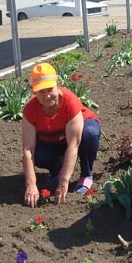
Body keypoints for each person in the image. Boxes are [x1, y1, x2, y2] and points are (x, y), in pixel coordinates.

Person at [21, 62, 101, 207]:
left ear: (57, 85)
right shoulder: (30, 110)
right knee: (38, 153)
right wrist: (31, 184)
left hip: (77, 135)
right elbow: (28, 150)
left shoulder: (70, 102)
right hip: (53, 137)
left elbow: (73, 145)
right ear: (34, 92)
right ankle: (56, 169)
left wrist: (64, 182)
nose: (47, 95)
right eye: (41, 92)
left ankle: (85, 174)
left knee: (89, 134)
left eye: (50, 89)